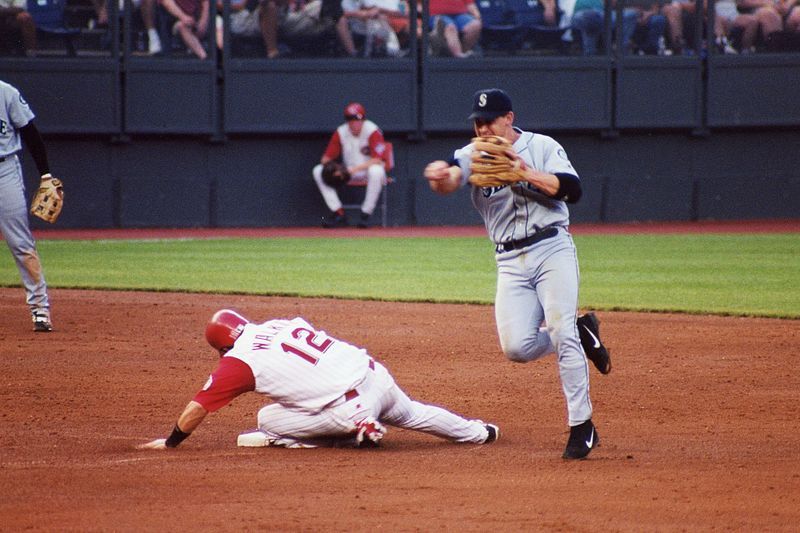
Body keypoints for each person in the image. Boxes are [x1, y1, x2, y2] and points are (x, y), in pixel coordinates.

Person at [423, 88, 612, 460]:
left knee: (559, 329)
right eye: (477, 122)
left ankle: (582, 426)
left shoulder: (542, 146)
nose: (482, 128)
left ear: (508, 118)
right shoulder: (471, 154)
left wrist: (524, 173)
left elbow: (572, 190)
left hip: (551, 248)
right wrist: (438, 177)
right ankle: (581, 328)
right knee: (517, 348)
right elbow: (450, 181)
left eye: (489, 120)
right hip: (508, 261)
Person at [137, 309, 500, 450]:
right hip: (376, 375)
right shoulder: (279, 323)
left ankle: (347, 433)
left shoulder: (238, 362)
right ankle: (479, 432)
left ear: (221, 347)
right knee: (414, 414)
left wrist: (170, 442)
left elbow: (197, 410)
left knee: (266, 420)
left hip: (349, 405)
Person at [0, 80, 61, 332]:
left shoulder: (5, 92)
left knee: (20, 242)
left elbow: (30, 134)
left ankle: (40, 309)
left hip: (4, 170)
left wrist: (45, 175)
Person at [312, 102, 389, 228]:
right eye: (351, 119)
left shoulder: (372, 130)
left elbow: (378, 160)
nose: (354, 123)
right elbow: (325, 158)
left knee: (376, 170)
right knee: (318, 170)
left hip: (366, 170)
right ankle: (338, 213)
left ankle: (365, 214)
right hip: (347, 172)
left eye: (357, 119)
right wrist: (335, 169)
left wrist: (354, 169)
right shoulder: (341, 131)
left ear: (363, 119)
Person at [570, 0, 638, 55]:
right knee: (632, 14)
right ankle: (621, 52)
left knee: (632, 14)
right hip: (586, 15)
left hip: (597, 16)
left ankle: (619, 52)